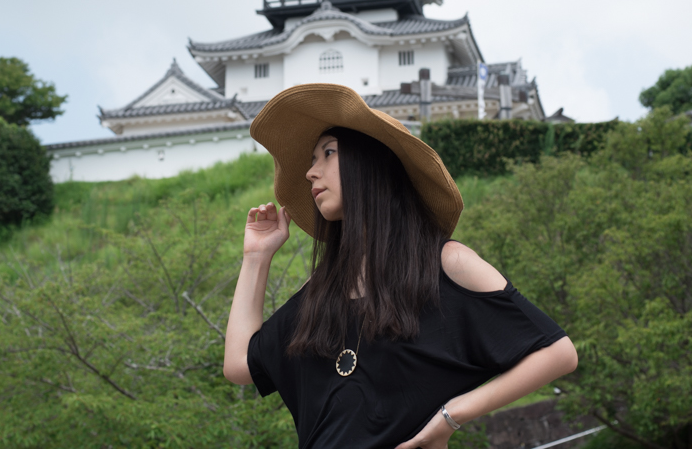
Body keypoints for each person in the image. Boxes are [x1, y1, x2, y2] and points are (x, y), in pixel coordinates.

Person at [224, 84, 578, 449]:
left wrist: (451, 415)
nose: (311, 172)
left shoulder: (445, 265)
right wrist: (256, 257)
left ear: (373, 163)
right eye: (312, 160)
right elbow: (240, 365)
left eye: (327, 153)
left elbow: (557, 353)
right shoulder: (324, 286)